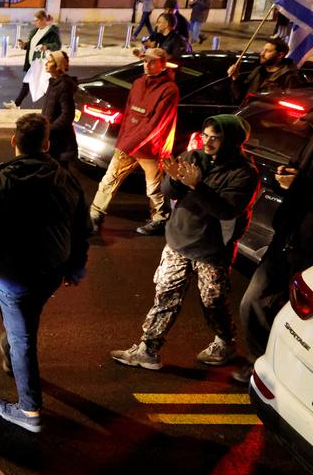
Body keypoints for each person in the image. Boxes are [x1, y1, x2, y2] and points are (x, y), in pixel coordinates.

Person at [0, 114, 90, 433]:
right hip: (49, 272)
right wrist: (75, 265)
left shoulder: (2, 179)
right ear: (47, 144)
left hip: (11, 274)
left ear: (14, 142)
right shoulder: (65, 178)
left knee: (23, 337)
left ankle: (30, 410)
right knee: (23, 322)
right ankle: (11, 352)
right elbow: (82, 228)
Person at [111, 115, 260, 370]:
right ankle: (148, 349)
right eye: (206, 135)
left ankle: (225, 341)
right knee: (166, 295)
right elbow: (171, 192)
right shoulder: (193, 157)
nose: (208, 141)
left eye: (215, 137)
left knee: (212, 300)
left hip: (212, 249)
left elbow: (227, 210)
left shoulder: (244, 173)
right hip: (180, 240)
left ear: (232, 141)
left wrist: (196, 185)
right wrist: (175, 180)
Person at [236, 129, 313, 384]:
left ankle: (281, 375)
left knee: (296, 323)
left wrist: (299, 185)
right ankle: (258, 364)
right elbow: (299, 168)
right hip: (288, 235)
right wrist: (288, 174)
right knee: (253, 303)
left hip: (308, 246)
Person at [89, 48, 179, 235]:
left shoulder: (169, 90)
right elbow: (129, 113)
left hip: (151, 148)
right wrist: (123, 140)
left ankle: (160, 219)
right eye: (145, 61)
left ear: (162, 64)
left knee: (153, 187)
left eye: (152, 62)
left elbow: (156, 124)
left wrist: (127, 144)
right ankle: (95, 214)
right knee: (109, 179)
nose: (147, 65)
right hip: (129, 143)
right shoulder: (138, 83)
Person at [9, 10, 61, 109]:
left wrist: (46, 46)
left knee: (44, 84)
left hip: (43, 63)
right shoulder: (36, 31)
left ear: (43, 20)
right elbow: (31, 45)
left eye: (36, 20)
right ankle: (16, 104)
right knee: (28, 82)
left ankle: (55, 106)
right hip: (34, 63)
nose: (34, 23)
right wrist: (24, 45)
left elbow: (57, 45)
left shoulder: (51, 31)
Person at [228, 36, 300, 102]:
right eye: (263, 50)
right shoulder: (258, 70)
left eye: (267, 51)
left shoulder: (289, 76)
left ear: (280, 55)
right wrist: (235, 77)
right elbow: (240, 96)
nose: (262, 54)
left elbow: (290, 102)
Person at [40, 50, 78, 165]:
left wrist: (49, 130)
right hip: (52, 140)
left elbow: (67, 115)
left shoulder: (64, 85)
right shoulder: (54, 82)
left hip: (60, 143)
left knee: (58, 173)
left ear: (58, 66)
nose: (46, 64)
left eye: (50, 62)